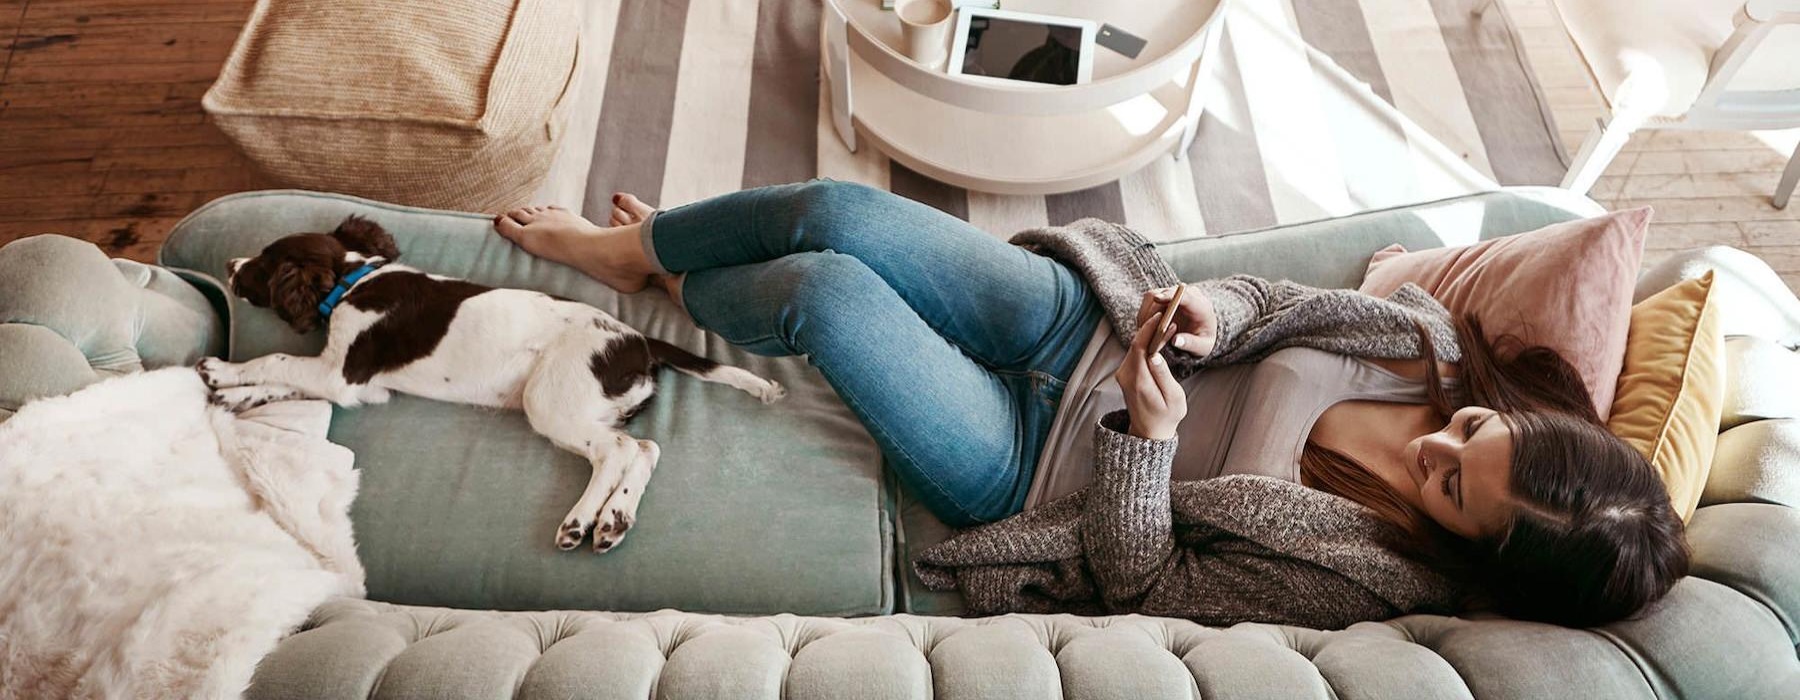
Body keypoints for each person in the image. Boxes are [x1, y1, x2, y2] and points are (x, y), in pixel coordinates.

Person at [492, 179, 1687, 628]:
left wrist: (1150, 442)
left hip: (1031, 465)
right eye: (1477, 434)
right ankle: (638, 252)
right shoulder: (1430, 345)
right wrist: (1216, 311)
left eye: (1447, 486)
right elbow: (1274, 302)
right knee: (838, 214)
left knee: (822, 292)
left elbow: (1149, 583)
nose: (1438, 442)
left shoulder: (1367, 576)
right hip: (1082, 324)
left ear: (1467, 550)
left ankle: (684, 277)